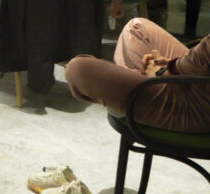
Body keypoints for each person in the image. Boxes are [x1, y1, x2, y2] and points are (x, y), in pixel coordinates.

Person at [65, 18, 210, 133]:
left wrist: (167, 71)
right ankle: (136, 90)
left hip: (199, 106)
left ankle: (135, 95)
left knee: (78, 69)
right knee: (136, 27)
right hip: (199, 74)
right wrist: (175, 64)